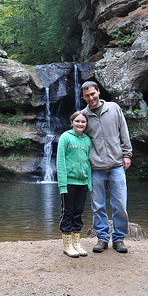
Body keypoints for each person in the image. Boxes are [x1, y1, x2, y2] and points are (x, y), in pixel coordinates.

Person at [81, 81, 132, 254]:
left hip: (117, 164)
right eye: (87, 95)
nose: (91, 98)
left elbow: (123, 131)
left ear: (98, 92)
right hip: (96, 167)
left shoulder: (114, 108)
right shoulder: (83, 115)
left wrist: (127, 154)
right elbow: (78, 137)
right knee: (98, 206)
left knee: (120, 205)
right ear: (84, 97)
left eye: (93, 94)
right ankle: (102, 238)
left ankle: (118, 239)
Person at [56, 111, 93, 258]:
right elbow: (60, 161)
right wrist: (62, 185)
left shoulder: (87, 140)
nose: (80, 124)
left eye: (83, 122)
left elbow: (89, 163)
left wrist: (89, 184)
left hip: (82, 182)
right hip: (69, 183)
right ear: (71, 122)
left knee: (78, 213)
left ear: (86, 124)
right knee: (68, 212)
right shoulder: (65, 137)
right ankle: (67, 245)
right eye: (77, 121)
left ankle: (76, 243)